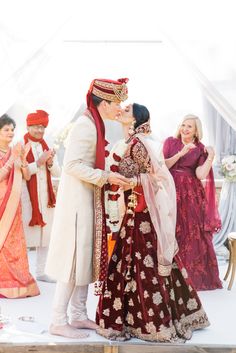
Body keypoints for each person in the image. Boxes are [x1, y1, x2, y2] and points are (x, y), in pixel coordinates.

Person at [96, 104, 210, 342]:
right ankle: (133, 317)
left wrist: (134, 181)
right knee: (133, 264)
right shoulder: (131, 142)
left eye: (127, 111)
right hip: (132, 212)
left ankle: (154, 321)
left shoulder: (139, 144)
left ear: (136, 119)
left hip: (142, 214)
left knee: (147, 264)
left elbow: (159, 178)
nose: (122, 112)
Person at [45, 78, 131, 339]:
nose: (120, 108)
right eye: (117, 103)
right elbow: (71, 165)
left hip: (89, 201)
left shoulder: (96, 123)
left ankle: (79, 314)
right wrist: (106, 177)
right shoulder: (86, 125)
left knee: (86, 259)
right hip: (77, 204)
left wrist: (107, 174)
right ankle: (58, 320)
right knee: (73, 261)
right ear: (104, 103)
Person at [163, 114, 222, 291]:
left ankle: (191, 277)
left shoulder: (200, 148)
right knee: (171, 229)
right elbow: (164, 166)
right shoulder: (170, 142)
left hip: (191, 195)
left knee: (191, 232)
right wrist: (181, 153)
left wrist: (210, 156)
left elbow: (200, 175)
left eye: (190, 127)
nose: (185, 129)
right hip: (171, 190)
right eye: (183, 125)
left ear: (196, 131)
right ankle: (170, 276)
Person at [0, 114, 40, 298]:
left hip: (15, 204)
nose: (10, 132)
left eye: (12, 129)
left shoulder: (15, 150)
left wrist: (23, 160)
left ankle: (17, 279)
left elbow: (26, 176)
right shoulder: (7, 153)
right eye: (6, 129)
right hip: (2, 203)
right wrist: (11, 159)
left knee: (14, 241)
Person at [21, 110, 61, 282]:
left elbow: (58, 171)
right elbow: (19, 172)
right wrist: (39, 162)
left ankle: (41, 272)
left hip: (45, 197)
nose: (40, 131)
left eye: (42, 127)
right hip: (27, 197)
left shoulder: (47, 145)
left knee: (45, 235)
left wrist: (50, 162)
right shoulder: (20, 145)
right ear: (29, 126)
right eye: (36, 127)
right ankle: (21, 273)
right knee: (24, 236)